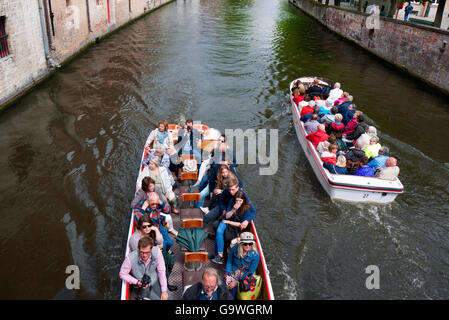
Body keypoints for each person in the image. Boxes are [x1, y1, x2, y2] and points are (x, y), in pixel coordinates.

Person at [212, 190, 257, 265]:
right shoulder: (232, 203)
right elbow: (226, 216)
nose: (238, 203)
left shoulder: (246, 208)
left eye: (240, 201)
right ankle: (219, 255)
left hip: (234, 225)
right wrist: (233, 210)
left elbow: (240, 224)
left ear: (243, 200)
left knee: (225, 234)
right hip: (227, 221)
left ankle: (218, 253)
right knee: (218, 229)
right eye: (237, 201)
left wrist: (228, 222)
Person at [224, 232, 260, 299]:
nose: (248, 246)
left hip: (245, 275)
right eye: (245, 244)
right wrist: (228, 274)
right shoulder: (234, 249)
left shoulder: (256, 255)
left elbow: (250, 273)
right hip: (233, 271)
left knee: (232, 293)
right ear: (241, 244)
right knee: (223, 288)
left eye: (250, 244)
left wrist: (236, 282)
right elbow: (229, 262)